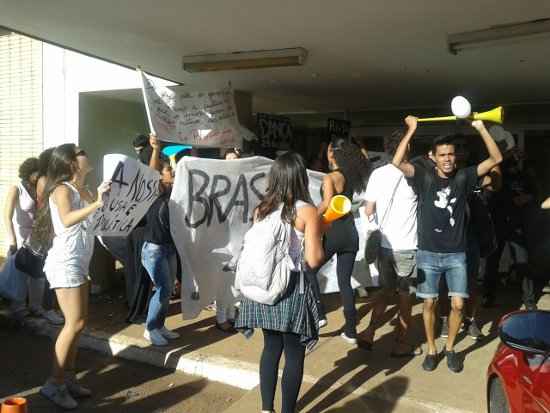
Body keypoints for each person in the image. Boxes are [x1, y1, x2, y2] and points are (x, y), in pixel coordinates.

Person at [393, 116, 502, 373]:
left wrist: (480, 128)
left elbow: (496, 159)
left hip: (456, 255)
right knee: (429, 304)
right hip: (428, 254)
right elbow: (397, 162)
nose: (447, 159)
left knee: (458, 305)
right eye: (442, 154)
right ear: (433, 157)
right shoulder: (423, 177)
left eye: (451, 154)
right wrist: (412, 131)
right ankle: (432, 349)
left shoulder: (464, 177)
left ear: (456, 156)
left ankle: (450, 348)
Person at [234, 152, 326, 413]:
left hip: (263, 287)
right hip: (291, 288)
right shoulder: (307, 211)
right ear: (301, 178)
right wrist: (320, 234)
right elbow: (313, 259)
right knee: (294, 354)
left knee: (271, 346)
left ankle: (266, 409)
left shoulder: (261, 209)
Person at [40, 144, 111, 409]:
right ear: (71, 163)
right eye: (80, 152)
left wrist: (101, 200)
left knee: (79, 323)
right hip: (65, 263)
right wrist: (96, 203)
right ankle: (53, 384)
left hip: (80, 263)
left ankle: (67, 378)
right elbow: (68, 218)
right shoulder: (61, 189)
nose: (85, 153)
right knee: (74, 323)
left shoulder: (85, 189)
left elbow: (94, 218)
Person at [358, 128, 420, 356]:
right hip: (407, 246)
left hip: (384, 245)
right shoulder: (413, 174)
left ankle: (369, 331)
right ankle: (401, 343)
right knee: (405, 295)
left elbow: (368, 209)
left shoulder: (377, 173)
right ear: (408, 147)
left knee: (385, 291)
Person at [312, 138, 371, 344]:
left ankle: (318, 314)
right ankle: (351, 331)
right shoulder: (351, 175)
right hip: (350, 233)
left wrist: (311, 214)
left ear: (332, 154)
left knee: (308, 269)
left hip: (334, 231)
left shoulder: (330, 177)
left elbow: (327, 204)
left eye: (328, 151)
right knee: (344, 281)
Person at [141, 154, 181, 346]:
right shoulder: (154, 191)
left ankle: (160, 325)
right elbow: (151, 173)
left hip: (169, 247)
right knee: (163, 288)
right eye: (168, 170)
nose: (172, 173)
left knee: (167, 289)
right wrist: (155, 150)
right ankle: (150, 328)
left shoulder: (174, 192)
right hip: (154, 249)